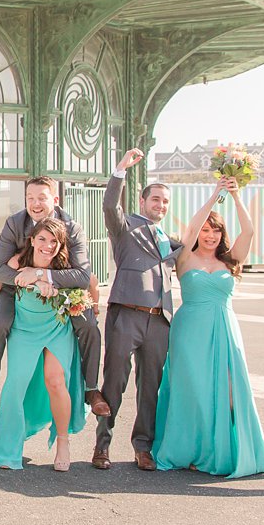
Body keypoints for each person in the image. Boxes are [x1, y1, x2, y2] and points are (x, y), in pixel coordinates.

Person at [152, 179, 264, 478]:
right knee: (193, 391)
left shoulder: (230, 259)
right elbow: (192, 229)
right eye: (207, 230)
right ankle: (193, 451)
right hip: (189, 330)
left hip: (224, 327)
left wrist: (235, 196)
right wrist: (214, 195)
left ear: (222, 234)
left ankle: (226, 450)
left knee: (231, 392)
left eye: (216, 230)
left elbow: (248, 231)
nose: (209, 235)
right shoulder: (185, 257)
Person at [0, 176, 107, 420]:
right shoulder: (15, 223)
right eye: (30, 198)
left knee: (89, 324)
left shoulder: (72, 227)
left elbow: (82, 275)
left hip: (62, 286)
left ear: (55, 200)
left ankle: (91, 389)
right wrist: (32, 280)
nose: (35, 204)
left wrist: (41, 274)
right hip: (16, 288)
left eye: (41, 198)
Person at [96, 149, 183, 472]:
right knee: (114, 382)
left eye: (165, 202)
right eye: (155, 199)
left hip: (160, 319)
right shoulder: (126, 227)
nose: (160, 205)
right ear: (143, 201)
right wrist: (119, 170)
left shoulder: (170, 240)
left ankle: (142, 447)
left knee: (151, 387)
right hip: (127, 314)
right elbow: (109, 206)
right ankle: (102, 445)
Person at [0, 218, 87, 472]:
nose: (48, 246)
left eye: (54, 241)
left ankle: (63, 443)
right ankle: (8, 449)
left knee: (56, 381)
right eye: (42, 239)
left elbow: (89, 281)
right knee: (15, 385)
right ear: (32, 240)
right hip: (25, 330)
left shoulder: (63, 265)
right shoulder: (17, 261)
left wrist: (47, 278)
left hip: (56, 329)